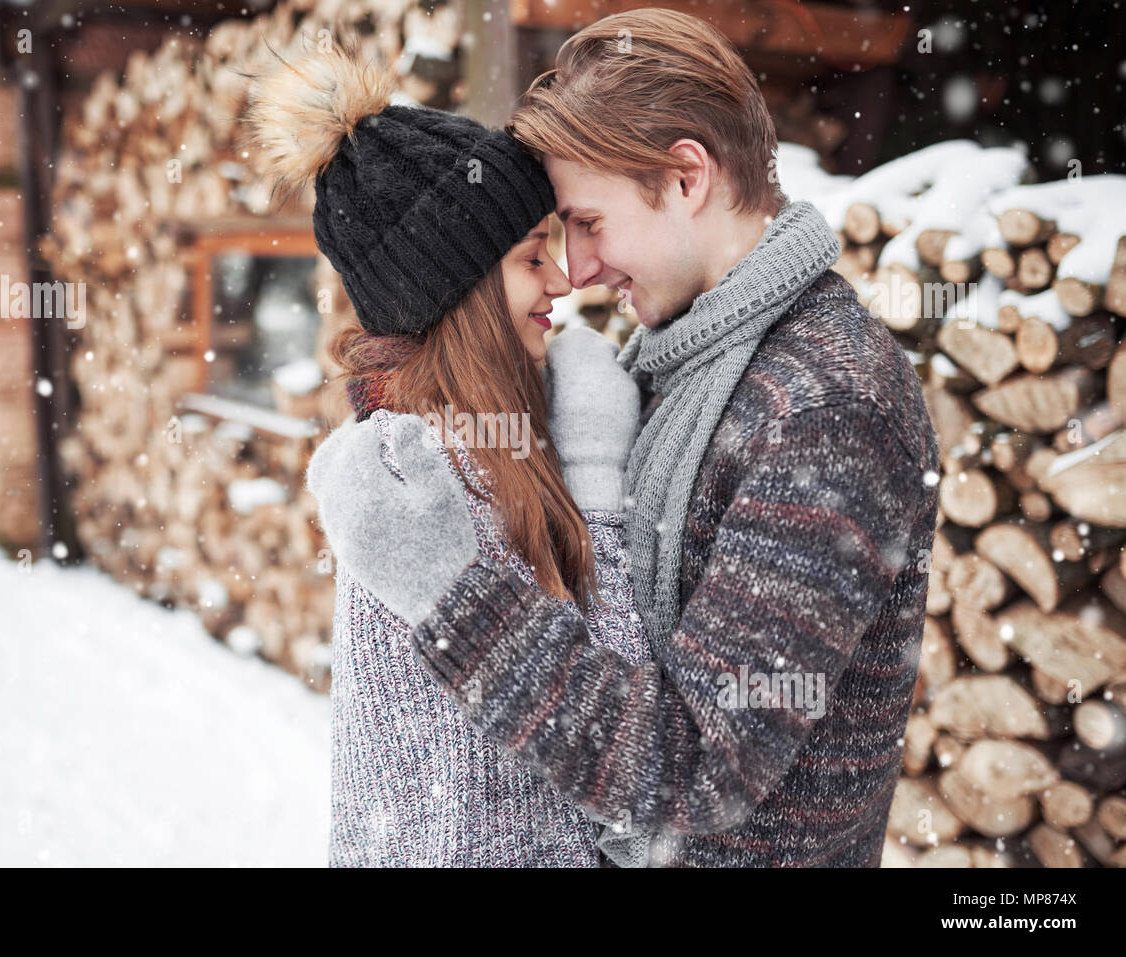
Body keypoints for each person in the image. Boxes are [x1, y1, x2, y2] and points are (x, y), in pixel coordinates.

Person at [307, 9, 942, 867]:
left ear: (686, 178)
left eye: (588, 221)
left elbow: (698, 766)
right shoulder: (683, 353)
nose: (581, 269)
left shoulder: (825, 405)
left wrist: (456, 594)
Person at [246, 43, 652, 866]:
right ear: (456, 293)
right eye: (530, 257)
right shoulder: (438, 484)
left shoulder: (423, 456)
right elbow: (628, 782)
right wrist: (601, 482)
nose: (563, 280)